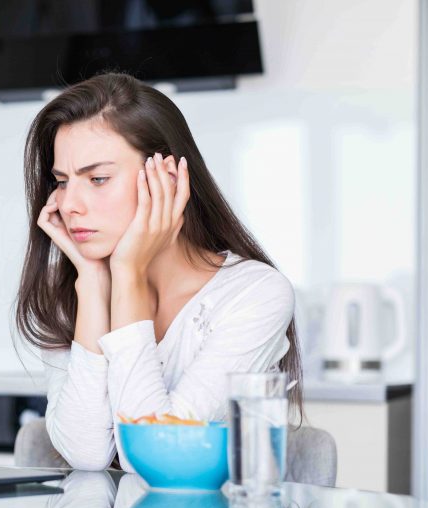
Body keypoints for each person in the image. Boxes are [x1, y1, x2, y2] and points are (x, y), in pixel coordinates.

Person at [15, 71, 302, 472]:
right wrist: (95, 285)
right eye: (61, 181)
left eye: (97, 179)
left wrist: (128, 274)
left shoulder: (255, 294)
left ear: (165, 179)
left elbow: (156, 459)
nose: (69, 204)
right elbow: (87, 455)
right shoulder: (71, 289)